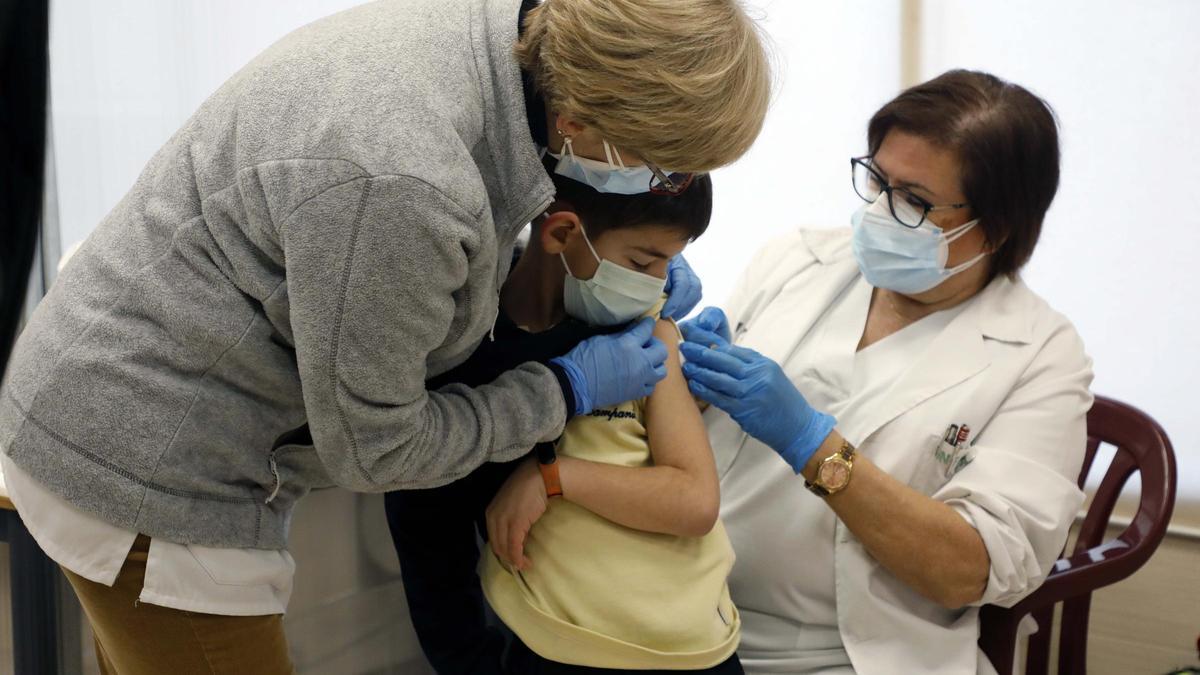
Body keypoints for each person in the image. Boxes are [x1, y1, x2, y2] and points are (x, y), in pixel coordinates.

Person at [0, 1, 770, 672]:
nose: (660, 187)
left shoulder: (508, 36)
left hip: (122, 374)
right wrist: (563, 388)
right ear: (578, 121)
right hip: (148, 454)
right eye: (660, 166)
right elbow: (378, 449)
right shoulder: (405, 176)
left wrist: (571, 269)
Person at [679, 70, 1092, 674]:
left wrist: (813, 446)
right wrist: (673, 369)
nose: (879, 210)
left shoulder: (1041, 354)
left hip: (841, 653)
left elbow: (970, 568)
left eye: (915, 200)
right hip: (685, 608)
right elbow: (684, 431)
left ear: (997, 228)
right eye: (876, 179)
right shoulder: (798, 258)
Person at [389, 161, 740, 674]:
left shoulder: (642, 335)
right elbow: (428, 537)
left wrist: (553, 476)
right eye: (644, 263)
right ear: (562, 232)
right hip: (565, 647)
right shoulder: (467, 358)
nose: (658, 286)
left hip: (701, 646)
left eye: (671, 264)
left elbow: (694, 499)